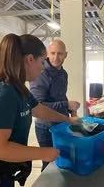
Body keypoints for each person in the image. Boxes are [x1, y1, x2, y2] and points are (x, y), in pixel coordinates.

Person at [0, 34, 80, 187]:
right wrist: (44, 153)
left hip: (5, 172)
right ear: (30, 60)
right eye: (42, 62)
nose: (43, 68)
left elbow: (39, 110)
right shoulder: (2, 93)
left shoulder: (19, 88)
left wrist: (67, 119)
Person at [30, 39, 80, 171]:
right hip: (46, 128)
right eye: (52, 53)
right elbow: (37, 106)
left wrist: (72, 111)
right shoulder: (41, 74)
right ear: (47, 53)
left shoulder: (63, 74)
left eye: (60, 53)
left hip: (61, 123)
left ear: (66, 55)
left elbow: (61, 95)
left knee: (62, 159)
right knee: (49, 165)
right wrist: (66, 103)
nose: (56, 57)